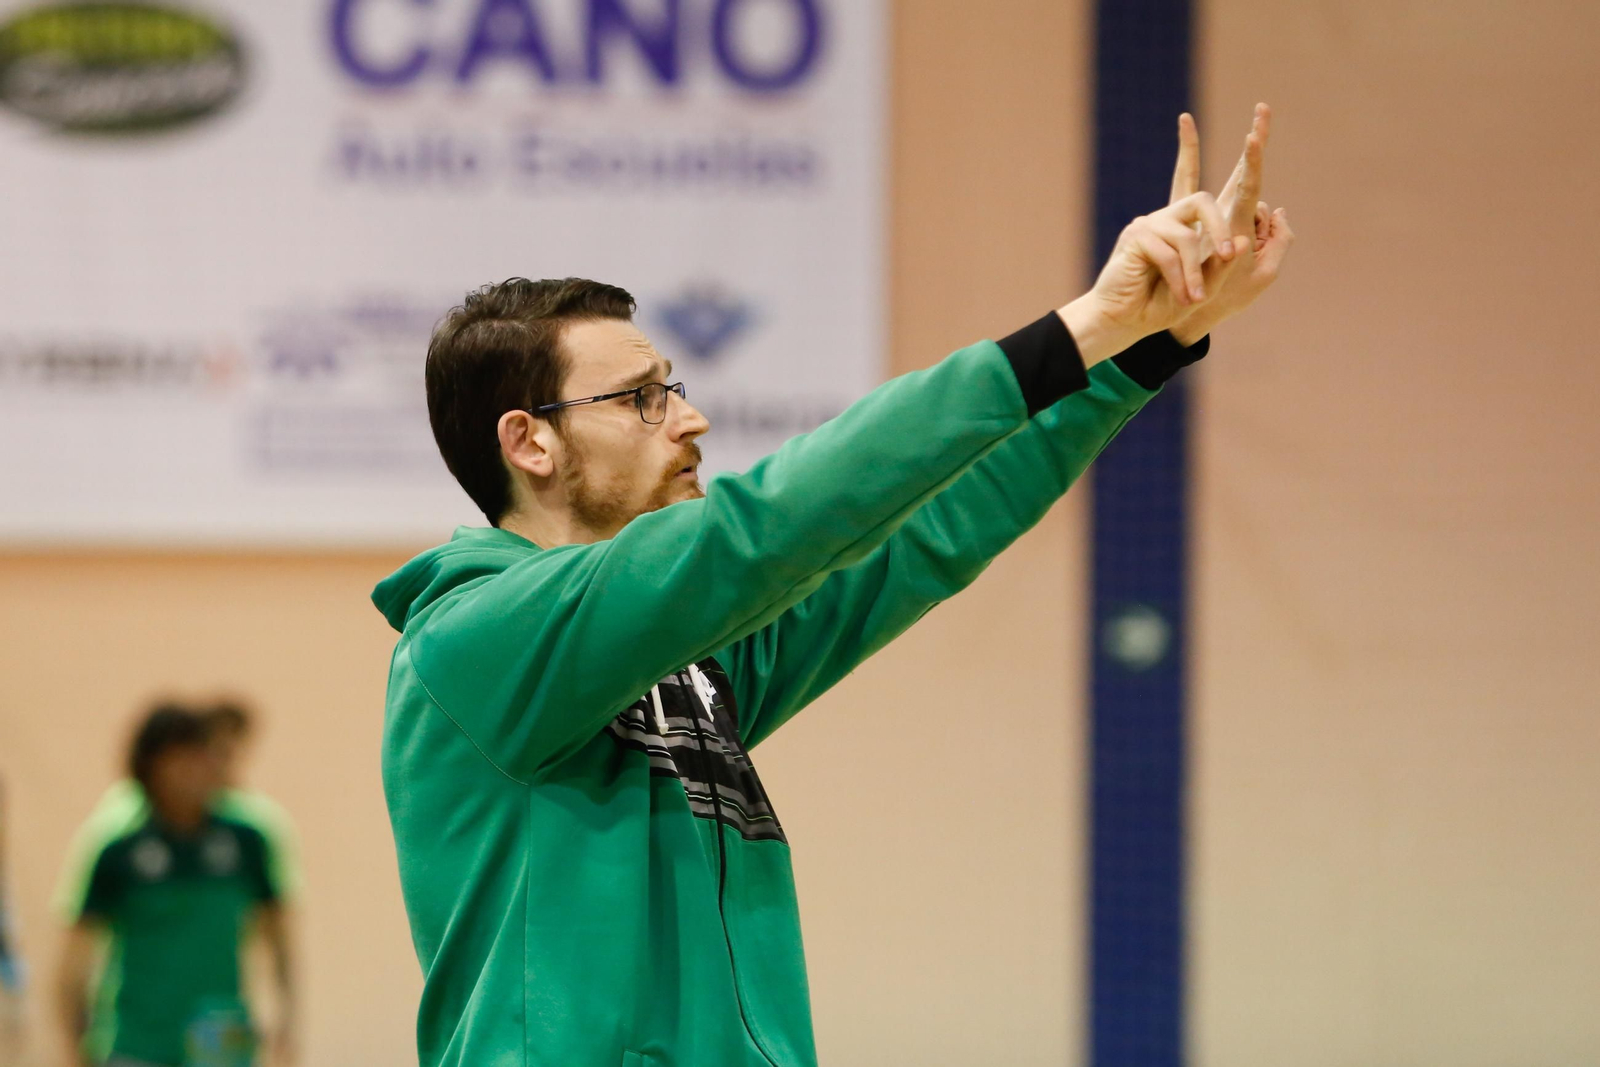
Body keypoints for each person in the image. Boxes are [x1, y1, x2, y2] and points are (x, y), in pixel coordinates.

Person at [372, 107, 1293, 1066]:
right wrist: (1089, 322)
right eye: (643, 396)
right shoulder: (474, 641)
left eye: (675, 385)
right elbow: (767, 528)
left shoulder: (679, 655)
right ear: (529, 441)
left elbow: (923, 534)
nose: (691, 418)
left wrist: (1148, 346)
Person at [55, 705, 295, 1067]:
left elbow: (277, 938)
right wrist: (77, 1048)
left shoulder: (248, 843)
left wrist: (285, 1018)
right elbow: (74, 965)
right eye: (179, 758)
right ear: (149, 767)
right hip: (140, 1045)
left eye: (201, 756)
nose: (194, 771)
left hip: (222, 1043)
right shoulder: (118, 852)